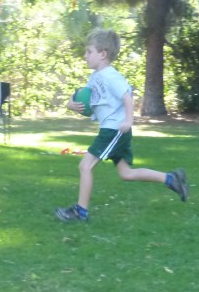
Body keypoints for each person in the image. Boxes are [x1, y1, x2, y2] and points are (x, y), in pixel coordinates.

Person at [55, 29, 189, 222]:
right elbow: (86, 100)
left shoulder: (110, 75)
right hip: (113, 129)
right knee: (126, 173)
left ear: (103, 54)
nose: (85, 56)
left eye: (89, 51)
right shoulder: (95, 77)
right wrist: (71, 104)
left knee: (85, 166)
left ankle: (80, 212)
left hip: (114, 129)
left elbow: (127, 96)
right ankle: (171, 178)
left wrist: (128, 120)